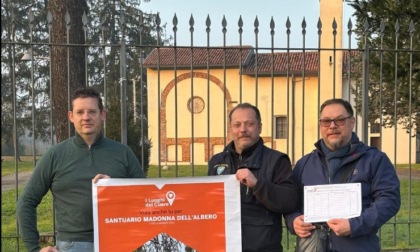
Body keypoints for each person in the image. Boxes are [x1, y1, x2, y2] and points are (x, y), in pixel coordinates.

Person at [17, 87, 146, 252]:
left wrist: (115, 187)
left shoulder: (123, 153)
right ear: (71, 116)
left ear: (103, 115)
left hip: (118, 241)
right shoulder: (55, 155)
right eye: (80, 112)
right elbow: (26, 202)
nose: (86, 117)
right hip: (72, 245)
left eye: (92, 111)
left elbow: (146, 198)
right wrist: (34, 249)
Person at [284, 98, 401, 252]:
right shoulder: (304, 164)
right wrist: (293, 220)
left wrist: (355, 225)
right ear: (320, 125)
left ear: (352, 122)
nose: (332, 126)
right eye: (326, 121)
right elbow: (289, 200)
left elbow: (389, 199)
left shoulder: (375, 159)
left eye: (339, 120)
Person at [208, 103, 298, 252]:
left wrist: (257, 185)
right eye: (237, 125)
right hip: (224, 246)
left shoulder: (277, 160)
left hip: (263, 247)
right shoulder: (217, 161)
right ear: (231, 128)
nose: (243, 130)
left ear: (259, 127)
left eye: (249, 124)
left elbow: (289, 201)